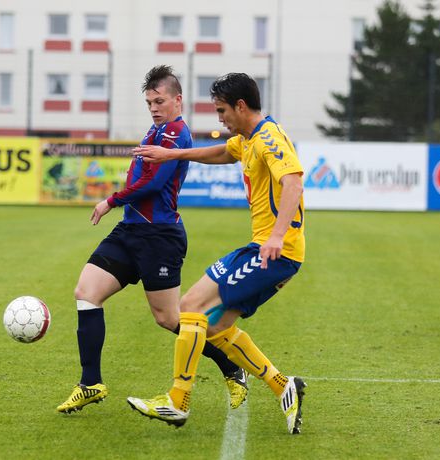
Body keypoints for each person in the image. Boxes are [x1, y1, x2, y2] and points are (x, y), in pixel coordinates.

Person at [56, 65, 248, 414]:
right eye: (149, 103)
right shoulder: (156, 129)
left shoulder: (176, 133)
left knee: (169, 318)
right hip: (130, 231)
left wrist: (111, 200)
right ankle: (90, 383)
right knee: (86, 293)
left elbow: (155, 183)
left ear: (177, 100)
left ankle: (231, 367)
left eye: (159, 101)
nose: (154, 108)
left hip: (159, 236)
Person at [127, 73, 307, 434]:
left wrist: (276, 236)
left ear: (240, 106)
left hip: (275, 251)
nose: (220, 119)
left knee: (191, 307)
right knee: (215, 326)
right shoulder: (249, 138)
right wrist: (173, 154)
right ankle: (283, 386)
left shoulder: (269, 138)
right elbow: (223, 152)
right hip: (264, 249)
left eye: (222, 111)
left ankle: (177, 400)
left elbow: (294, 182)